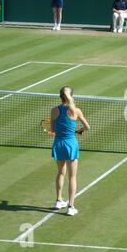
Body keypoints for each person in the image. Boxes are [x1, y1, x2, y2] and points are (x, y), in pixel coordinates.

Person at [50, 86, 90, 216]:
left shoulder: (54, 110)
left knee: (61, 173)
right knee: (72, 177)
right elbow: (87, 127)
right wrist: (79, 130)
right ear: (71, 96)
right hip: (71, 145)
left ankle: (58, 201)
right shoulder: (76, 111)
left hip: (58, 144)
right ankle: (71, 207)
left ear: (60, 96)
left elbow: (53, 130)